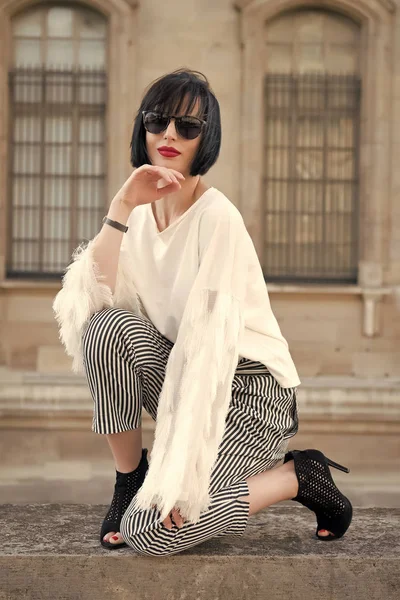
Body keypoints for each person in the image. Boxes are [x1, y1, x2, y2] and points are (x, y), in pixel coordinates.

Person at [53, 68, 353, 556]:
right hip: (179, 375)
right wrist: (123, 203)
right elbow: (91, 301)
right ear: (144, 128)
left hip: (249, 394)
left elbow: (208, 349)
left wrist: (181, 467)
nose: (170, 135)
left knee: (151, 532)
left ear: (204, 139)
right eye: (158, 120)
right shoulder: (140, 213)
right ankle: (129, 481)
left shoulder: (218, 218)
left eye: (188, 127)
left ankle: (297, 477)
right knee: (104, 326)